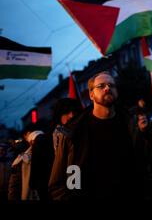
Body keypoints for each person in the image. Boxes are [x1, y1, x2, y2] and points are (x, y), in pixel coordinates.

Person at [48, 71, 140, 200]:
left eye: (111, 85)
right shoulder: (74, 131)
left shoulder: (130, 124)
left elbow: (143, 168)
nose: (107, 88)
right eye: (101, 86)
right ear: (91, 95)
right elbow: (58, 181)